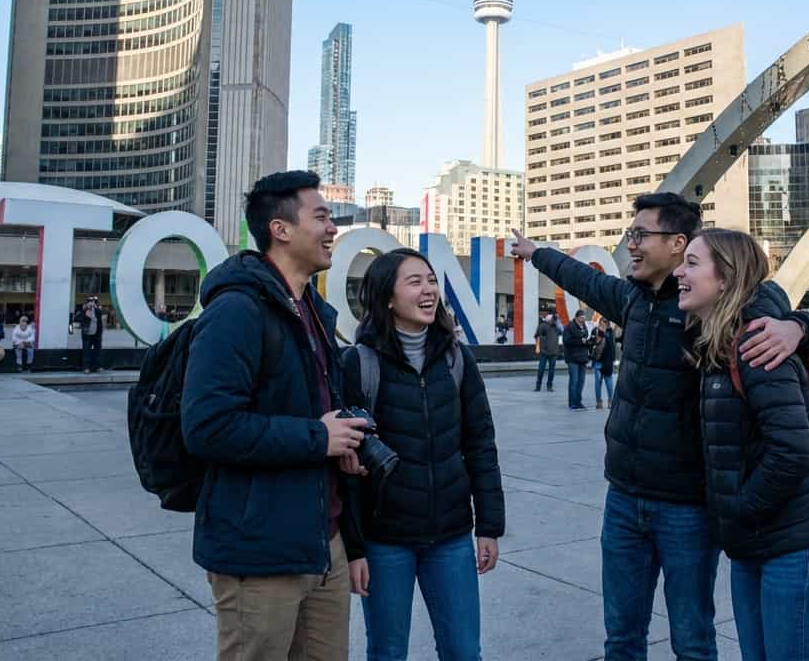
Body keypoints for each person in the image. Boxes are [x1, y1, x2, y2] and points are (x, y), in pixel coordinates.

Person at [511, 191, 809, 661]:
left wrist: (801, 327)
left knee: (692, 638)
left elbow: (769, 302)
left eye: (640, 234)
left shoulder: (717, 304)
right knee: (621, 637)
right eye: (629, 234)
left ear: (679, 243)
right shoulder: (632, 301)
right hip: (623, 499)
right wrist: (537, 253)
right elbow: (581, 278)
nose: (630, 244)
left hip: (689, 508)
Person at [181, 170, 368, 661]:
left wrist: (344, 443)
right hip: (258, 552)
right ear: (280, 230)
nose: (333, 229)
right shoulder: (237, 310)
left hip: (323, 544)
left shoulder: (315, 312)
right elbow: (207, 427)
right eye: (322, 217)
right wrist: (316, 438)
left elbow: (319, 414)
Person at [677, 228, 809, 661]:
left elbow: (790, 454)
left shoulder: (758, 347)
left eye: (692, 263)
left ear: (726, 278)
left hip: (797, 548)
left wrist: (736, 509)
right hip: (755, 544)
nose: (679, 271)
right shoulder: (718, 343)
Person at [341, 248, 505, 661]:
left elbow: (480, 444)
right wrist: (355, 548)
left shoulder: (456, 359)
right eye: (415, 281)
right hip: (385, 542)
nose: (429, 288)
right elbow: (346, 468)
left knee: (464, 651)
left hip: (450, 537)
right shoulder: (359, 365)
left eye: (431, 279)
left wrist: (489, 525)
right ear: (388, 298)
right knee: (387, 652)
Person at [562, 310, 591, 411]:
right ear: (577, 317)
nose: (583, 320)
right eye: (582, 318)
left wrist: (587, 342)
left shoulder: (584, 327)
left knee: (581, 381)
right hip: (572, 358)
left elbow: (585, 337)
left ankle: (578, 402)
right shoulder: (569, 327)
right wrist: (580, 341)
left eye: (584, 318)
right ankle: (572, 403)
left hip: (583, 358)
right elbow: (566, 341)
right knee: (574, 381)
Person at [74, 296, 105, 373]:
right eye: (90, 301)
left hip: (96, 334)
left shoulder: (97, 310)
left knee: (97, 351)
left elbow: (102, 316)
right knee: (86, 351)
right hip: (87, 334)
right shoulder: (84, 310)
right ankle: (86, 368)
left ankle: (97, 367)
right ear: (87, 302)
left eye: (93, 301)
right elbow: (76, 318)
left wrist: (97, 307)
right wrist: (84, 310)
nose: (92, 303)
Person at [533, 311, 562, 392]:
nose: (553, 320)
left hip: (554, 352)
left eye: (554, 319)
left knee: (552, 370)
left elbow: (562, 331)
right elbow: (537, 336)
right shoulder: (542, 326)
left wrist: (558, 322)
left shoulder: (556, 327)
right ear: (548, 319)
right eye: (553, 319)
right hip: (543, 352)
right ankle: (538, 386)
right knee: (541, 369)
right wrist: (537, 347)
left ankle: (549, 386)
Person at [592, 318, 616, 410]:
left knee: (608, 381)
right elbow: (593, 342)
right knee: (598, 383)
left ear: (607, 324)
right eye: (600, 324)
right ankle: (599, 402)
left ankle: (610, 401)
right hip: (598, 361)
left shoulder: (610, 332)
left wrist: (604, 334)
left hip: (607, 361)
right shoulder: (595, 331)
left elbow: (612, 346)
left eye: (604, 324)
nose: (602, 326)